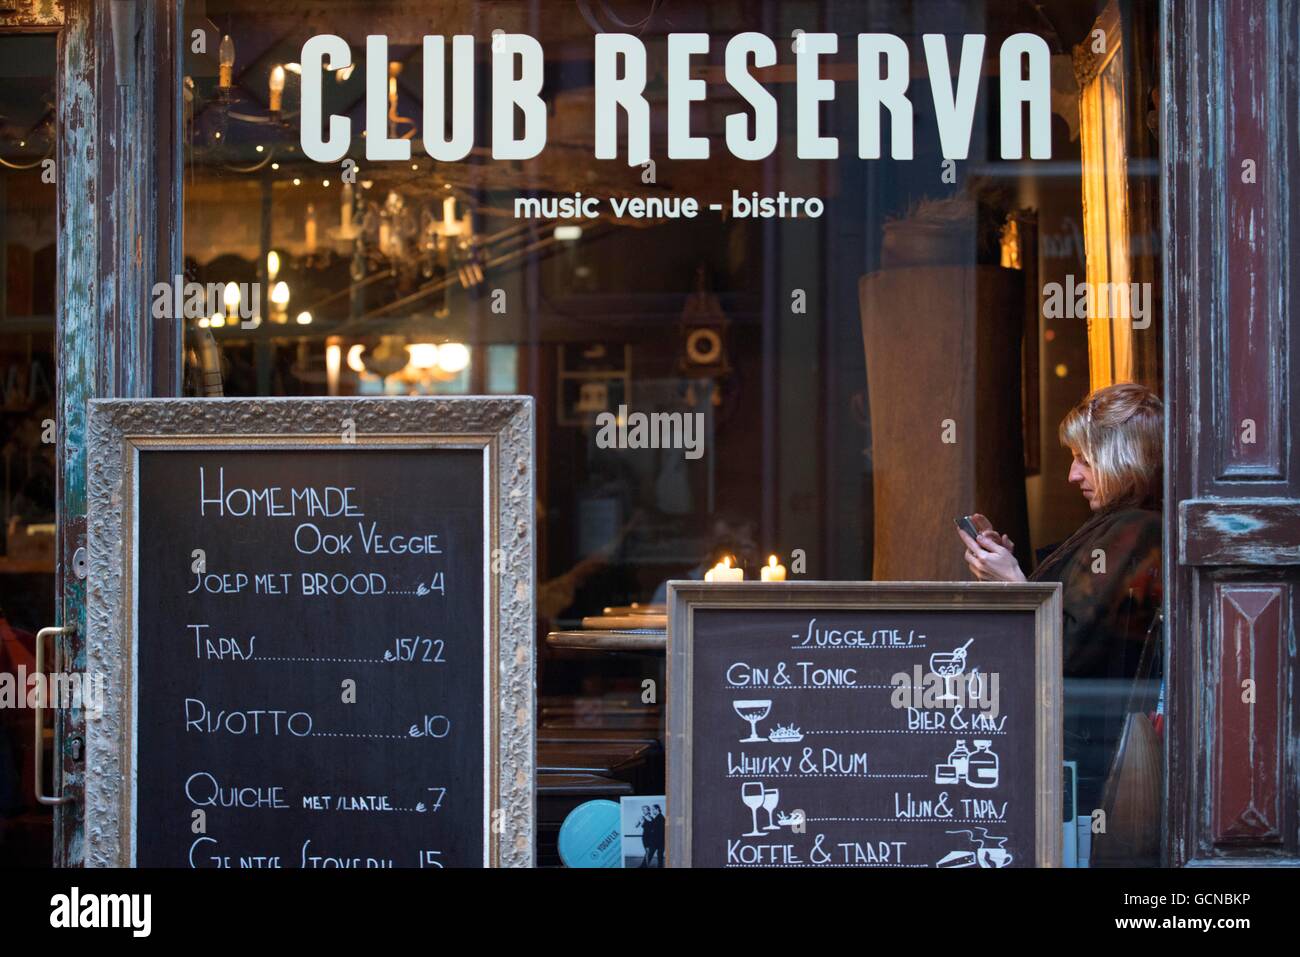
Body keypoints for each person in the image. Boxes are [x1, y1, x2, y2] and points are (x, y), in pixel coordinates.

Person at [955, 382, 1163, 813]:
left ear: (1124, 459)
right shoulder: (1119, 525)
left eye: (1085, 460)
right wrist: (1011, 578)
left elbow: (1071, 652)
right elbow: (1075, 618)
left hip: (1083, 748)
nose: (1073, 476)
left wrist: (1015, 585)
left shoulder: (1135, 529)